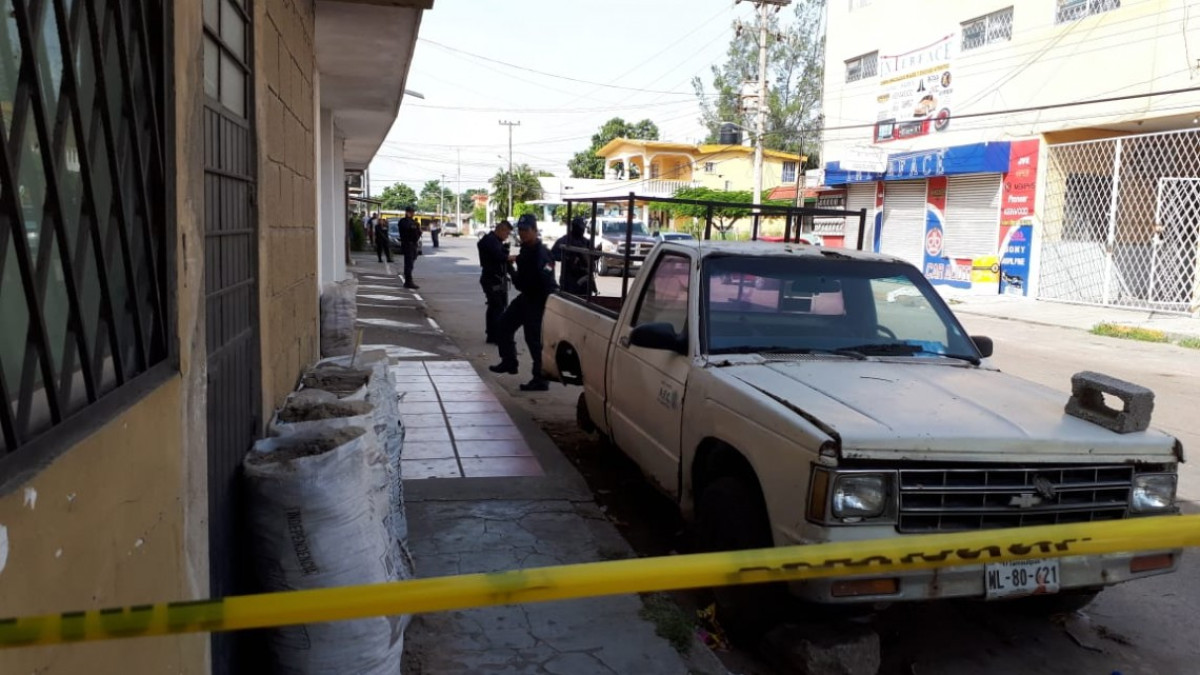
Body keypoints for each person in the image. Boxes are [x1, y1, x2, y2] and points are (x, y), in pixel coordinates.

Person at [490, 214, 558, 391]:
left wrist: (545, 304)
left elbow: (547, 280)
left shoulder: (541, 253)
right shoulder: (526, 249)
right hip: (526, 297)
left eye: (526, 230)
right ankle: (509, 361)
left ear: (535, 230)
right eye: (520, 230)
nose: (522, 233)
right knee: (503, 325)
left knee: (534, 340)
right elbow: (522, 281)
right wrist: (512, 269)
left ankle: (541, 379)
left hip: (538, 300)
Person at [477, 220, 514, 344]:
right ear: (501, 230)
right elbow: (499, 256)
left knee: (495, 307)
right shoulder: (489, 240)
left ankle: (492, 335)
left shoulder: (496, 241)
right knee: (497, 307)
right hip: (491, 278)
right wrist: (511, 257)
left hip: (497, 278)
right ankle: (496, 335)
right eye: (506, 233)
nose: (507, 236)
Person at [550, 216, 594, 295]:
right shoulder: (564, 240)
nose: (582, 230)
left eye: (583, 228)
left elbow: (592, 259)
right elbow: (553, 254)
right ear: (574, 227)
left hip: (584, 278)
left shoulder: (586, 242)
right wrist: (567, 257)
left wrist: (596, 253)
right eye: (580, 228)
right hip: (569, 279)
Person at [397, 206, 421, 288]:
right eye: (411, 212)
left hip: (413, 244)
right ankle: (408, 281)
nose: (413, 213)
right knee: (408, 264)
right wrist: (414, 227)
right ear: (407, 212)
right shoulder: (403, 221)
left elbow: (418, 232)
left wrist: (416, 228)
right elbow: (408, 229)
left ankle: (409, 280)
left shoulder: (414, 222)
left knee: (411, 263)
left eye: (413, 212)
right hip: (407, 244)